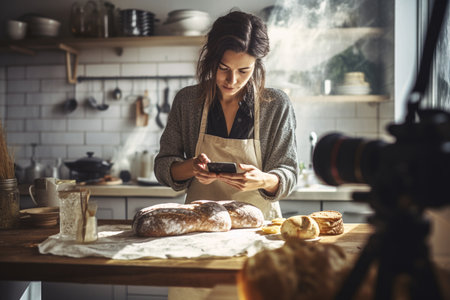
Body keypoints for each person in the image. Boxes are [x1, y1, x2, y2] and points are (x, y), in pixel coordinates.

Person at [154, 10, 298, 220]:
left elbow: (289, 173)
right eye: (223, 68)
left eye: (243, 70)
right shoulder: (187, 101)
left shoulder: (276, 104)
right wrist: (192, 167)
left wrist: (263, 180)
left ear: (256, 64)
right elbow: (162, 167)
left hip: (259, 227)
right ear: (211, 59)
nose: (232, 80)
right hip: (200, 225)